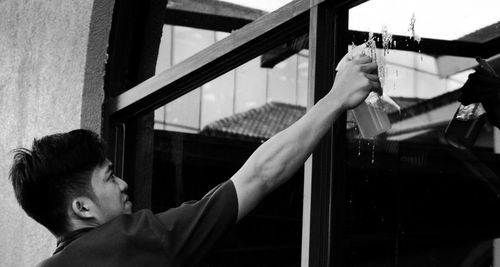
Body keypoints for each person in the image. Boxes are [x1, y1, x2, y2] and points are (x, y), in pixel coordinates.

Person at [9, 52, 380, 267]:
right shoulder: (119, 245)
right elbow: (258, 177)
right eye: (108, 177)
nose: (123, 184)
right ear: (81, 207)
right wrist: (335, 99)